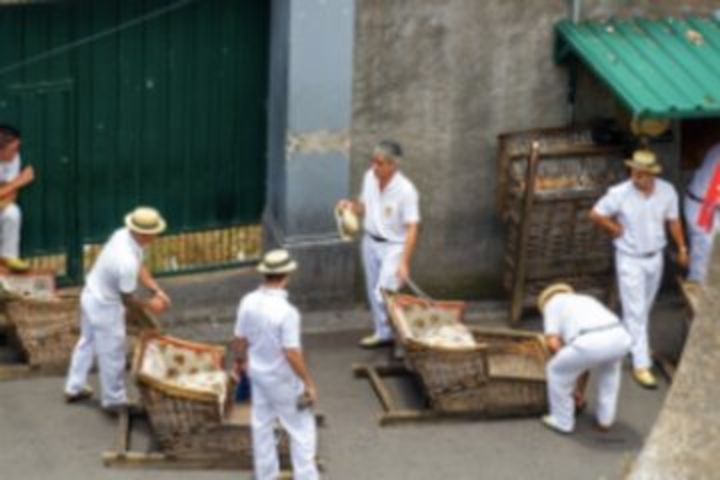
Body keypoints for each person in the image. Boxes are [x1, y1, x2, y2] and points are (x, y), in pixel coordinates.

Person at [590, 149, 688, 389]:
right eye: (634, 173)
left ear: (651, 175)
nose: (636, 178)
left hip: (655, 257)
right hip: (629, 258)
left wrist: (682, 247)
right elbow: (596, 213)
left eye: (641, 175)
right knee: (635, 311)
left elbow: (673, 221)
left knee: (642, 308)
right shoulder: (619, 193)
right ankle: (641, 363)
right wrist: (614, 229)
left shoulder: (667, 191)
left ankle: (624, 344)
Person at [64, 206, 171, 411]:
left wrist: (156, 289)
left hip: (90, 293)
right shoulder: (126, 262)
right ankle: (114, 399)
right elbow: (128, 298)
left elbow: (141, 267)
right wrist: (151, 304)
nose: (157, 235)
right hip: (106, 305)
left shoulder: (122, 235)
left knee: (87, 341)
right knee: (112, 352)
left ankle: (74, 386)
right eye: (154, 232)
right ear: (143, 233)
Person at [233, 249, 319, 480]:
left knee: (262, 427)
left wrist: (239, 361)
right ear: (287, 275)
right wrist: (308, 383)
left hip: (257, 375)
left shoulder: (248, 301)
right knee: (301, 430)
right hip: (283, 379)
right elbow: (291, 353)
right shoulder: (288, 313)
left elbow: (239, 339)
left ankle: (266, 475)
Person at [337, 140, 420, 348]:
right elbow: (363, 206)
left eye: (380, 163)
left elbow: (412, 227)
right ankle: (383, 333)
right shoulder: (369, 178)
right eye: (373, 161)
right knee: (373, 290)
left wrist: (404, 263)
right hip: (369, 242)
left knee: (385, 292)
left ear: (393, 165)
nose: (374, 166)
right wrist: (349, 207)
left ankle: (403, 335)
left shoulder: (406, 190)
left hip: (394, 246)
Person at [537, 283, 632, 434]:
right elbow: (583, 364)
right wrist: (580, 391)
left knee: (556, 371)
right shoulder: (585, 300)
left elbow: (552, 342)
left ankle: (562, 420)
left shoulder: (552, 305)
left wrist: (563, 358)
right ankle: (605, 421)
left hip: (590, 340)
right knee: (609, 376)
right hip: (620, 336)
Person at [684, 142, 720, 283]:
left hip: (707, 204)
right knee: (703, 257)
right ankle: (698, 299)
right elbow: (714, 192)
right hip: (704, 207)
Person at [0, 125, 34, 271]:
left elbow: (11, 195)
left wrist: (10, 188)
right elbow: (13, 186)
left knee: (12, 212)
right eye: (12, 149)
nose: (16, 153)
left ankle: (8, 257)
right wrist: (19, 181)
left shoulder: (14, 159)